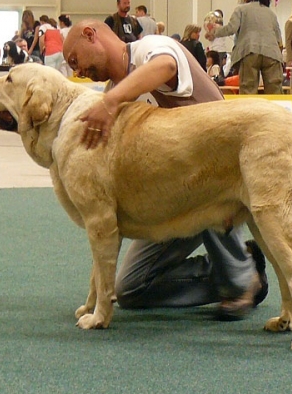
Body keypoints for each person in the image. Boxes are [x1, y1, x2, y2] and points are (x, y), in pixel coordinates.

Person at [62, 19, 268, 320]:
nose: (77, 72)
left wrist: (111, 101)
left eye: (75, 61)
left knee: (200, 183)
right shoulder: (114, 93)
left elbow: (166, 67)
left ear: (90, 35)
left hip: (215, 182)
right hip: (169, 197)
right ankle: (235, 273)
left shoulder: (150, 49)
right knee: (131, 289)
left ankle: (238, 279)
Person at [210, 0, 283, 95]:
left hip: (249, 51)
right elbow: (278, 39)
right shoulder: (271, 14)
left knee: (248, 88)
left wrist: (215, 31)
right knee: (275, 89)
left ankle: (248, 111)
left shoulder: (241, 9)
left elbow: (231, 28)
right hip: (272, 53)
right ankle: (277, 111)